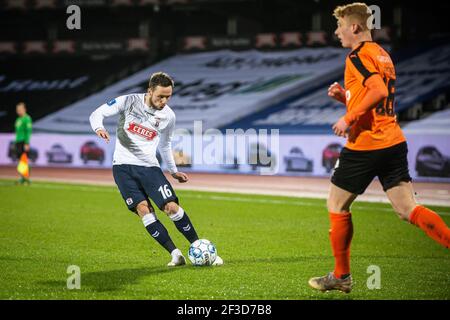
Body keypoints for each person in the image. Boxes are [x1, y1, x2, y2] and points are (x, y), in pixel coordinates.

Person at [308, 2, 449, 293]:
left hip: (366, 145)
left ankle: (341, 276)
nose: (336, 32)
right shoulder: (383, 55)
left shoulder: (357, 56)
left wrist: (348, 116)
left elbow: (378, 91)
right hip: (393, 141)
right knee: (408, 208)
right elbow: (377, 100)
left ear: (355, 27)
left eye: (340, 26)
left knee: (336, 205)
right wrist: (345, 100)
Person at [89, 72, 223, 267]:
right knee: (144, 210)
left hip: (149, 168)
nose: (164, 101)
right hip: (122, 168)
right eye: (161, 96)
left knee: (171, 207)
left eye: (168, 96)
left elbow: (166, 144)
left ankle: (199, 246)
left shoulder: (168, 115)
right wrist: (98, 127)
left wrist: (173, 170)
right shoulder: (128, 101)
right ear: (149, 90)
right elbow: (97, 113)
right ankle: (175, 254)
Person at [15, 102, 32, 185]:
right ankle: (22, 177)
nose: (18, 111)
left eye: (20, 109)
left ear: (24, 109)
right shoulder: (18, 119)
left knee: (24, 160)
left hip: (23, 142)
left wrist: (27, 143)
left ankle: (27, 177)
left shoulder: (27, 119)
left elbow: (28, 131)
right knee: (20, 160)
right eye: (17, 110)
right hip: (18, 141)